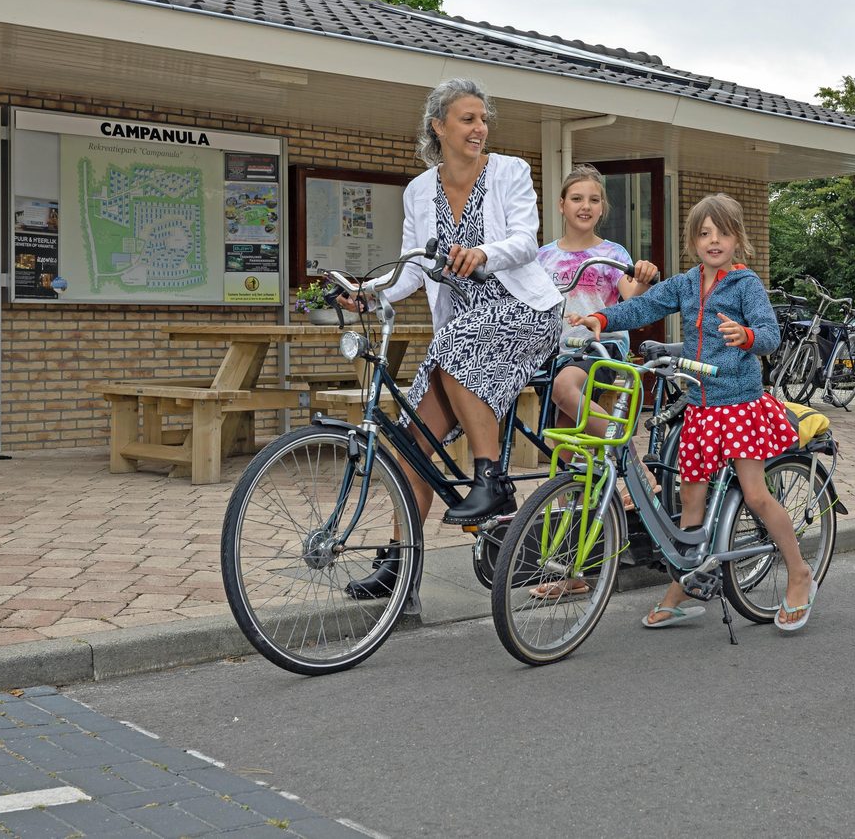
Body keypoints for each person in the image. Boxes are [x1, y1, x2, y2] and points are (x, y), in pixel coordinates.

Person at [343, 79, 564, 598]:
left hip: (524, 311)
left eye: (483, 118)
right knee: (412, 446)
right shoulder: (420, 190)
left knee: (452, 347)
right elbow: (413, 269)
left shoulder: (509, 171)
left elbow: (525, 241)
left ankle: (490, 480)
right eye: (468, 119)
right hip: (460, 336)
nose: (479, 128)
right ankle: (399, 569)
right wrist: (369, 294)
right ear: (438, 126)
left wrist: (483, 253)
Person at [572, 193, 819, 632]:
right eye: (704, 233)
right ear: (693, 241)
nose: (714, 240)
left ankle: (799, 572)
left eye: (722, 232)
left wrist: (745, 335)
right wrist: (603, 320)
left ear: (737, 238)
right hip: (701, 407)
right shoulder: (686, 284)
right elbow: (644, 305)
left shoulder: (745, 285)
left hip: (740, 406)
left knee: (757, 494)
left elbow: (769, 335)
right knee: (690, 497)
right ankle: (686, 585)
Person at [538, 164, 659, 437]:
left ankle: (628, 456)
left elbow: (630, 295)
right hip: (559, 351)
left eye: (594, 200)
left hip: (601, 348)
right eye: (577, 199)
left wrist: (642, 276)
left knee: (563, 388)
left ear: (602, 207)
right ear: (561, 205)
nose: (586, 206)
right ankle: (578, 481)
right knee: (564, 437)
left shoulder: (612, 253)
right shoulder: (543, 256)